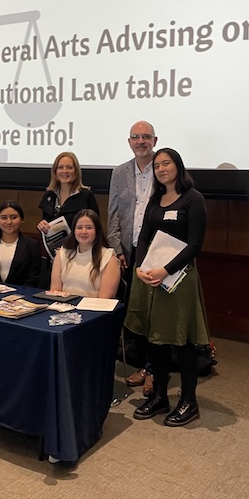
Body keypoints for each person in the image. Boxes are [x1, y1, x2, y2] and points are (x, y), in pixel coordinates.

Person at [125, 148, 209, 427]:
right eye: (157, 165)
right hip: (151, 279)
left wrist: (166, 270)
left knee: (182, 341)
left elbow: (195, 245)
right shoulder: (155, 199)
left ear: (178, 166)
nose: (161, 169)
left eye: (166, 163)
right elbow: (143, 237)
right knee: (156, 340)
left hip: (179, 280)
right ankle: (160, 396)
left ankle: (189, 401)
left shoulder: (193, 199)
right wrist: (140, 267)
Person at [107, 120, 158, 395]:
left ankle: (154, 369)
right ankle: (143, 365)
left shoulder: (164, 169)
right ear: (129, 142)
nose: (141, 141)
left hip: (156, 251)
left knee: (154, 313)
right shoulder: (120, 172)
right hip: (128, 251)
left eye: (146, 137)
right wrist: (116, 248)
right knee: (134, 311)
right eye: (136, 137)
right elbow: (113, 213)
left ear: (154, 141)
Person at [50, 209, 120, 298]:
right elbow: (55, 291)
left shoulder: (109, 258)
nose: (84, 232)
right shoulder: (63, 253)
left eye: (89, 227)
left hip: (93, 306)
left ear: (97, 231)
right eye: (79, 227)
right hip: (63, 305)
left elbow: (104, 299)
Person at [37, 151, 99, 235]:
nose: (65, 171)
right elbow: (47, 226)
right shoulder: (49, 195)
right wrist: (43, 227)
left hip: (79, 242)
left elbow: (95, 227)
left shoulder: (86, 196)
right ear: (55, 171)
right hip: (54, 243)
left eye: (69, 167)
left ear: (76, 171)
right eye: (60, 167)